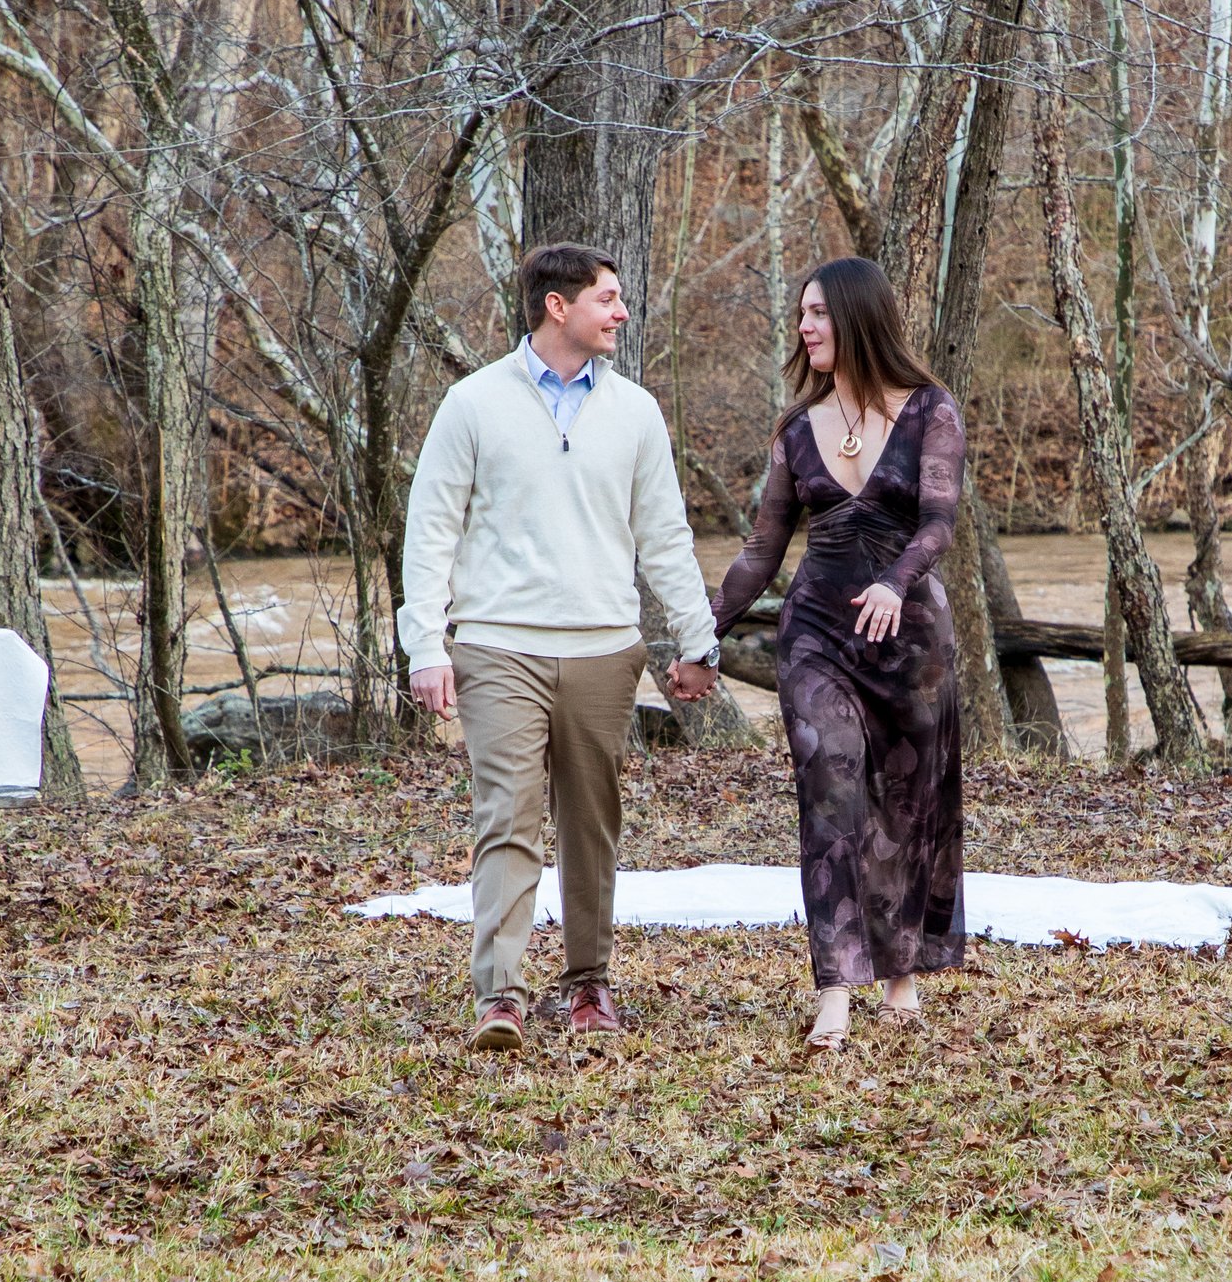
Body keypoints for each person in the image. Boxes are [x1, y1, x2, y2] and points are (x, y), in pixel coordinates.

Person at [398, 244, 720, 1049]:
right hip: (498, 646)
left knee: (591, 822)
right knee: (507, 816)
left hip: (605, 650)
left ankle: (587, 984)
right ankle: (499, 996)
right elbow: (431, 531)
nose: (618, 312)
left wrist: (695, 638)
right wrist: (425, 646)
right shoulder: (473, 403)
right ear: (557, 306)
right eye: (606, 299)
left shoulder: (636, 412)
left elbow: (665, 536)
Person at [711, 256, 966, 1051]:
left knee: (906, 806)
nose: (805, 326)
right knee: (830, 790)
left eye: (818, 312)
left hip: (911, 639)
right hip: (818, 633)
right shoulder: (796, 429)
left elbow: (938, 523)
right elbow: (762, 549)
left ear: (857, 316)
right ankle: (834, 989)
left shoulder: (931, 412)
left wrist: (895, 582)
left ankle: (901, 975)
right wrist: (702, 630)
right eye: (800, 314)